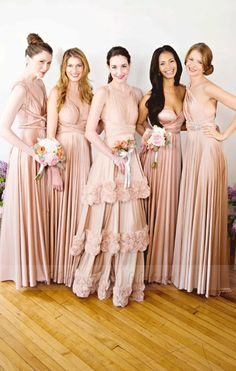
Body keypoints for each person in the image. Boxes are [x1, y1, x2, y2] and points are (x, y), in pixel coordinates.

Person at [70, 46, 150, 307]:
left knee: (128, 222)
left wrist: (150, 137)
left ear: (130, 65)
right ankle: (95, 279)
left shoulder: (137, 93)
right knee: (104, 221)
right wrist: (114, 157)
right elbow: (91, 132)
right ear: (108, 68)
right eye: (114, 67)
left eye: (123, 66)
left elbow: (140, 126)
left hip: (131, 160)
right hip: (109, 160)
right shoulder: (103, 93)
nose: (119, 72)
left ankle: (123, 283)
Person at [172, 42, 236, 297]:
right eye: (189, 59)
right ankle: (192, 273)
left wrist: (224, 135)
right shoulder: (187, 88)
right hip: (193, 151)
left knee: (206, 206)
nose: (192, 64)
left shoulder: (208, 86)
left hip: (209, 151)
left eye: (198, 61)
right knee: (194, 207)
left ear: (206, 65)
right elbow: (189, 122)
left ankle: (206, 276)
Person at [0, 33, 53, 288]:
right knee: (26, 208)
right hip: (26, 154)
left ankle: (39, 267)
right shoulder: (20, 87)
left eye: (49, 63)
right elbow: (3, 128)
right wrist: (31, 152)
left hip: (42, 152)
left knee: (39, 208)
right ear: (28, 59)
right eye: (41, 62)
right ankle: (23, 270)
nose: (45, 68)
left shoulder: (41, 85)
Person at [137, 45, 185, 284]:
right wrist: (151, 135)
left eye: (172, 61)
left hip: (176, 156)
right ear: (156, 68)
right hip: (155, 158)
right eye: (163, 63)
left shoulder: (185, 91)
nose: (168, 67)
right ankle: (147, 264)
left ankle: (168, 264)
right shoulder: (150, 96)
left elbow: (187, 123)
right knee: (153, 206)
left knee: (173, 204)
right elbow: (138, 125)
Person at [47, 48, 92, 285]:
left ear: (85, 68)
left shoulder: (89, 93)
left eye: (79, 65)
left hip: (84, 154)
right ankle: (60, 267)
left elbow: (97, 127)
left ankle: (77, 267)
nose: (74, 70)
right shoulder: (57, 93)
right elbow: (49, 135)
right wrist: (54, 170)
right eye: (70, 66)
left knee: (81, 208)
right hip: (63, 155)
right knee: (64, 208)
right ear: (64, 69)